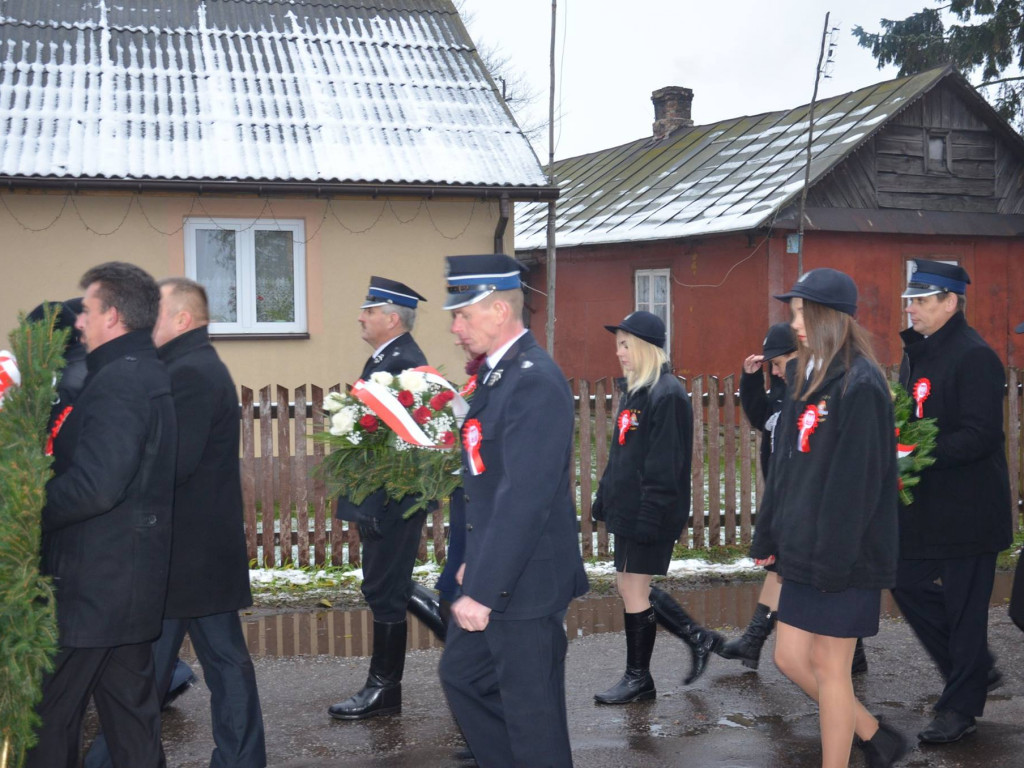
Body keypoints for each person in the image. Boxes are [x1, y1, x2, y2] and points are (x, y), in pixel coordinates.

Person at [86, 278, 268, 768]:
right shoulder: (193, 365)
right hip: (197, 553)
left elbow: (171, 463)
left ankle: (110, 760)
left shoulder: (188, 372)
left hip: (179, 555)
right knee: (217, 664)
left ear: (182, 319)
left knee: (143, 673)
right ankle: (240, 759)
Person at [750, 268, 906, 768]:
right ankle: (874, 735)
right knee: (788, 657)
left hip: (845, 553)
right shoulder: (806, 375)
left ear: (828, 316)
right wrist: (768, 536)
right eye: (793, 311)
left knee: (829, 665)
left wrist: (832, 563)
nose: (793, 322)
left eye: (801, 312)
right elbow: (785, 468)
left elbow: (855, 488)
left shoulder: (861, 384)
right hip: (803, 547)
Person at [438, 254, 589, 768]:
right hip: (501, 569)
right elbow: (490, 485)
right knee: (463, 676)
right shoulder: (499, 375)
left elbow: (524, 496)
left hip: (527, 579)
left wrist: (483, 588)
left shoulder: (533, 379)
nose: (455, 328)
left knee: (533, 717)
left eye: (463, 315)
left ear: (499, 310)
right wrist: (476, 563)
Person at [27, 262, 176, 768]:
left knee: (47, 718)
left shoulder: (120, 380)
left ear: (112, 315)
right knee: (131, 725)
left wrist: (28, 510)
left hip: (94, 585)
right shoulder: (135, 371)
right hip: (120, 583)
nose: (79, 322)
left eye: (87, 311)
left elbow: (96, 488)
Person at [892, 259, 1013, 744]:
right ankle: (974, 669)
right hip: (926, 508)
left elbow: (982, 436)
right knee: (902, 579)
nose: (911, 309)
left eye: (921, 300)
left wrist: (916, 453)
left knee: (966, 612)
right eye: (910, 300)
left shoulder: (974, 355)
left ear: (950, 302)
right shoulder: (918, 353)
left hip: (969, 512)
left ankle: (959, 708)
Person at [719, 324, 870, 675]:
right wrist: (751, 380)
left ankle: (756, 640)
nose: (774, 371)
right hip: (786, 493)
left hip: (805, 497)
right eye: (771, 365)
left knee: (787, 570)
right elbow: (760, 417)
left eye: (778, 362)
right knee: (782, 568)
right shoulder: (784, 388)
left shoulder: (816, 389)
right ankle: (851, 653)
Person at [590, 310, 723, 705]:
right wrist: (604, 496)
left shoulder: (667, 395)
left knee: (633, 589)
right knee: (630, 586)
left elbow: (665, 465)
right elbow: (623, 454)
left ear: (646, 347)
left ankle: (639, 679)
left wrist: (649, 516)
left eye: (625, 345)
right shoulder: (637, 391)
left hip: (648, 509)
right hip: (629, 506)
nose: (619, 352)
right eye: (618, 345)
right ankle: (696, 637)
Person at [329, 275, 438, 720]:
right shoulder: (386, 358)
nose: (361, 317)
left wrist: (373, 505)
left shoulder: (402, 363)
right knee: (386, 586)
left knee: (385, 590)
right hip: (384, 499)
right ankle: (466, 646)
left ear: (392, 318)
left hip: (392, 500)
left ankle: (384, 689)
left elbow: (403, 450)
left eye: (369, 311)